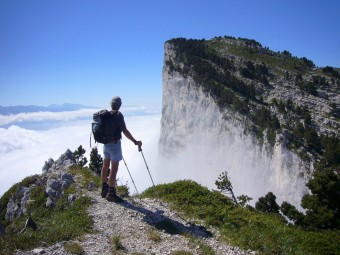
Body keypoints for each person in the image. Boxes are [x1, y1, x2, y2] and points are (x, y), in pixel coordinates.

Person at [101, 96, 142, 202]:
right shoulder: (118, 115)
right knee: (114, 169)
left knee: (105, 166)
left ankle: (104, 189)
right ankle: (111, 192)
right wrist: (135, 141)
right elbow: (125, 131)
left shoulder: (105, 115)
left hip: (105, 144)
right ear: (119, 105)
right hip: (114, 144)